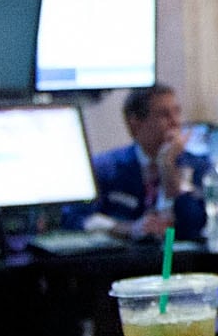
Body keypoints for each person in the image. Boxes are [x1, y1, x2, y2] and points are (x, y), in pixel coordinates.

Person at [88, 82, 210, 240]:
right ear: (135, 124)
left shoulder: (199, 167)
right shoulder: (105, 168)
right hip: (124, 260)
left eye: (177, 112)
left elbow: (195, 225)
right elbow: (75, 218)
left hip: (181, 260)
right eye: (164, 115)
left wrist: (168, 167)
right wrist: (128, 229)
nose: (175, 122)